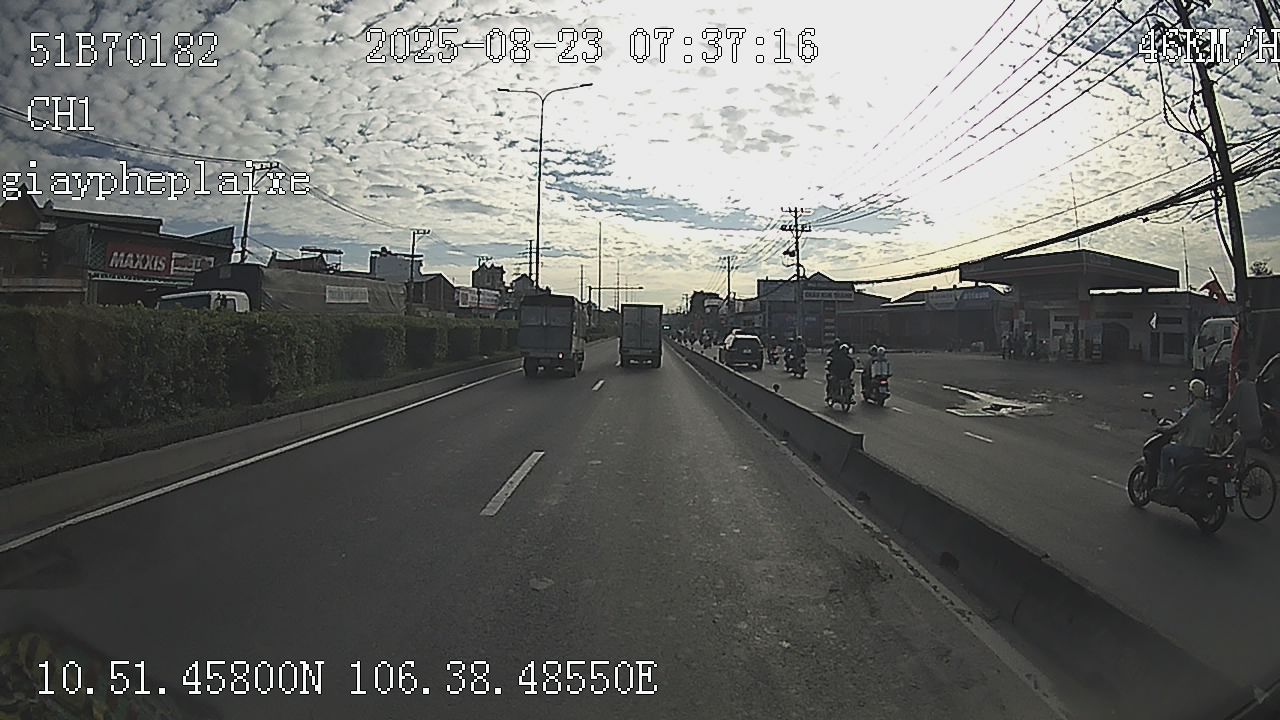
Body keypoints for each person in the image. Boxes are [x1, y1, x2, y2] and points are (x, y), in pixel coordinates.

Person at [1159, 378, 1214, 495]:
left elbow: (1178, 426)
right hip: (1201, 449)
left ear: (1192, 394)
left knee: (1165, 451)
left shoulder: (1194, 409)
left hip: (1190, 449)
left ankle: (1167, 484)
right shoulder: (1207, 410)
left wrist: (1163, 429)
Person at [1214, 358, 1263, 462]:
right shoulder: (1252, 385)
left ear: (1239, 373)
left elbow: (1230, 407)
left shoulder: (1241, 386)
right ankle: (1239, 465)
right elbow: (1245, 407)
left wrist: (1218, 419)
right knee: (1237, 448)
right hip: (1257, 427)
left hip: (1247, 430)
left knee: (1225, 456)